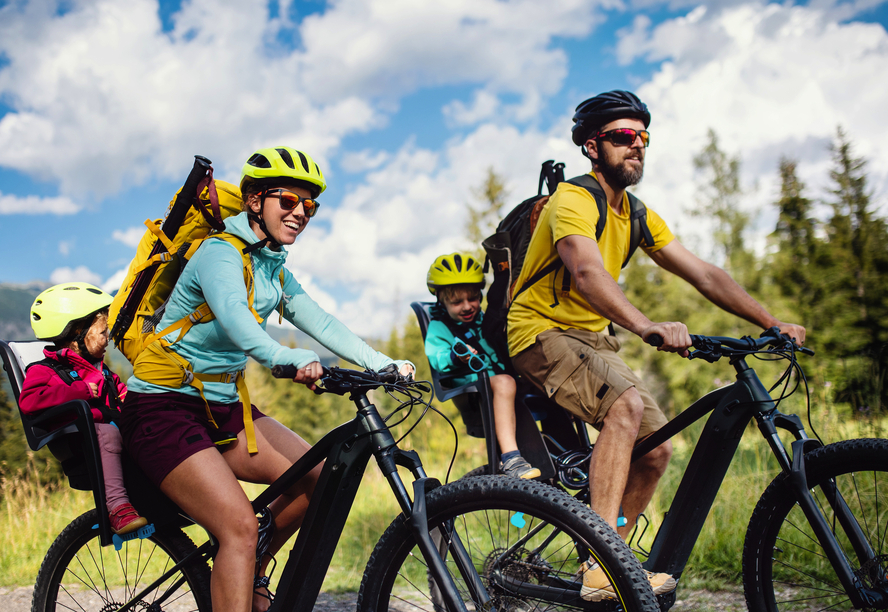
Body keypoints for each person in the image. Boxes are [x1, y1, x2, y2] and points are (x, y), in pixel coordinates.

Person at [506, 90, 807, 602]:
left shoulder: (638, 213)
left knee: (656, 448)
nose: (637, 146)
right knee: (624, 407)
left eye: (643, 137)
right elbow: (585, 271)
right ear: (591, 147)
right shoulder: (574, 200)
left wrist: (770, 320)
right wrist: (645, 324)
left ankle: (607, 566)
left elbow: (705, 275)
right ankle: (604, 568)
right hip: (539, 331)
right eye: (624, 137)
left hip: (593, 340)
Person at [119, 146, 414, 612]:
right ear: (254, 201)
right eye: (289, 201)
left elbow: (319, 320)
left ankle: (249, 565)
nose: (301, 213)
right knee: (237, 525)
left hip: (221, 408)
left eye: (310, 206)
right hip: (161, 409)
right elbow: (238, 322)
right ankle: (240, 554)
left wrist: (383, 363)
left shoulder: (271, 263)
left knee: (318, 478)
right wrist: (286, 358)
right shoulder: (219, 254)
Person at [21, 282, 148, 536]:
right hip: (79, 441)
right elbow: (29, 401)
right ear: (78, 332)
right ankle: (117, 508)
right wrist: (79, 391)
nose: (108, 339)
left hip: (107, 433)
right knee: (108, 433)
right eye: (103, 332)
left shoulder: (101, 371)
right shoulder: (44, 370)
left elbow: (122, 395)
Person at [424, 252, 540, 479]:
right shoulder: (439, 328)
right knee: (505, 382)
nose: (467, 307)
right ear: (442, 301)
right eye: (457, 302)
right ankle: (511, 458)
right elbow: (437, 358)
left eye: (473, 298)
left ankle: (564, 451)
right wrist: (457, 356)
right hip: (473, 391)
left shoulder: (484, 321)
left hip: (497, 384)